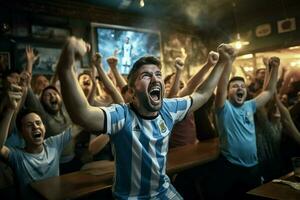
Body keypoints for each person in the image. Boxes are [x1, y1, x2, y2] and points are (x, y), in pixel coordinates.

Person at [57, 36, 235, 199]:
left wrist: (222, 63)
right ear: (132, 92)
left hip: (163, 191)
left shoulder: (168, 108)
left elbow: (202, 94)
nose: (156, 79)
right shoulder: (121, 115)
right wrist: (66, 66)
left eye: (158, 74)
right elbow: (82, 114)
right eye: (146, 75)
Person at [206, 56, 279, 199]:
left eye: (242, 86)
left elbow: (269, 92)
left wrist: (275, 68)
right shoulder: (223, 107)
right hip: (230, 166)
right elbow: (220, 90)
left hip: (253, 167)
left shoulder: (250, 105)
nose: (240, 88)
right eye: (234, 86)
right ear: (228, 93)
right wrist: (229, 60)